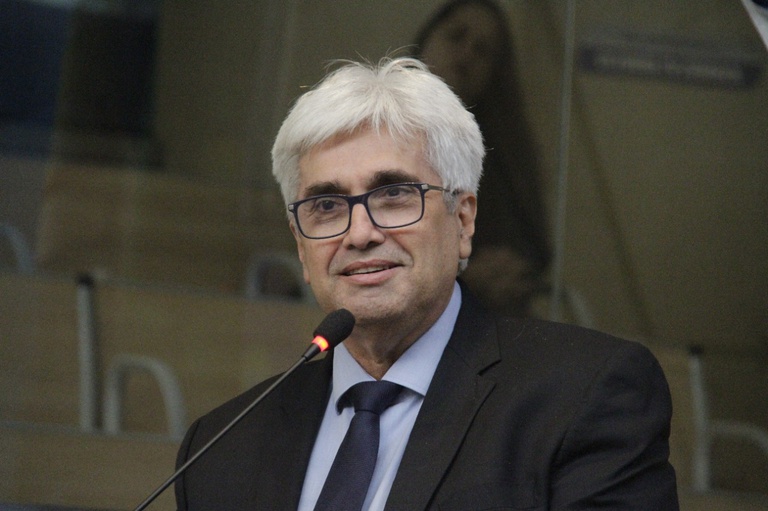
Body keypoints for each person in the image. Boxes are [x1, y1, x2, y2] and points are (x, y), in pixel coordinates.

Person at [174, 57, 678, 510]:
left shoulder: (583, 397)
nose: (360, 234)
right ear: (301, 247)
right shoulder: (221, 448)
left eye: (394, 194)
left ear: (463, 220)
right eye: (326, 206)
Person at [415, 0, 552, 317]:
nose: (466, 55)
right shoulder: (376, 128)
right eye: (456, 36)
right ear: (427, 38)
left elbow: (531, 249)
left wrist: (508, 270)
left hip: (485, 320)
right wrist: (461, 280)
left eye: (481, 51)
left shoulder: (501, 156)